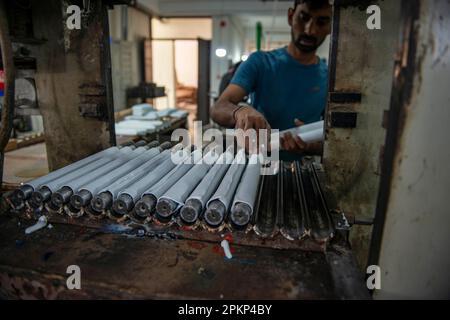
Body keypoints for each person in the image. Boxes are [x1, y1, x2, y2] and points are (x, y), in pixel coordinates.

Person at [210, 0, 331, 159]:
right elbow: (218, 107)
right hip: (257, 164)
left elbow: (334, 137)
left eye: (321, 22)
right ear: (290, 16)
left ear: (331, 27)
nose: (310, 30)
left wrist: (311, 147)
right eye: (303, 18)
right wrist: (240, 111)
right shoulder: (260, 62)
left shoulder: (330, 79)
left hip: (303, 170)